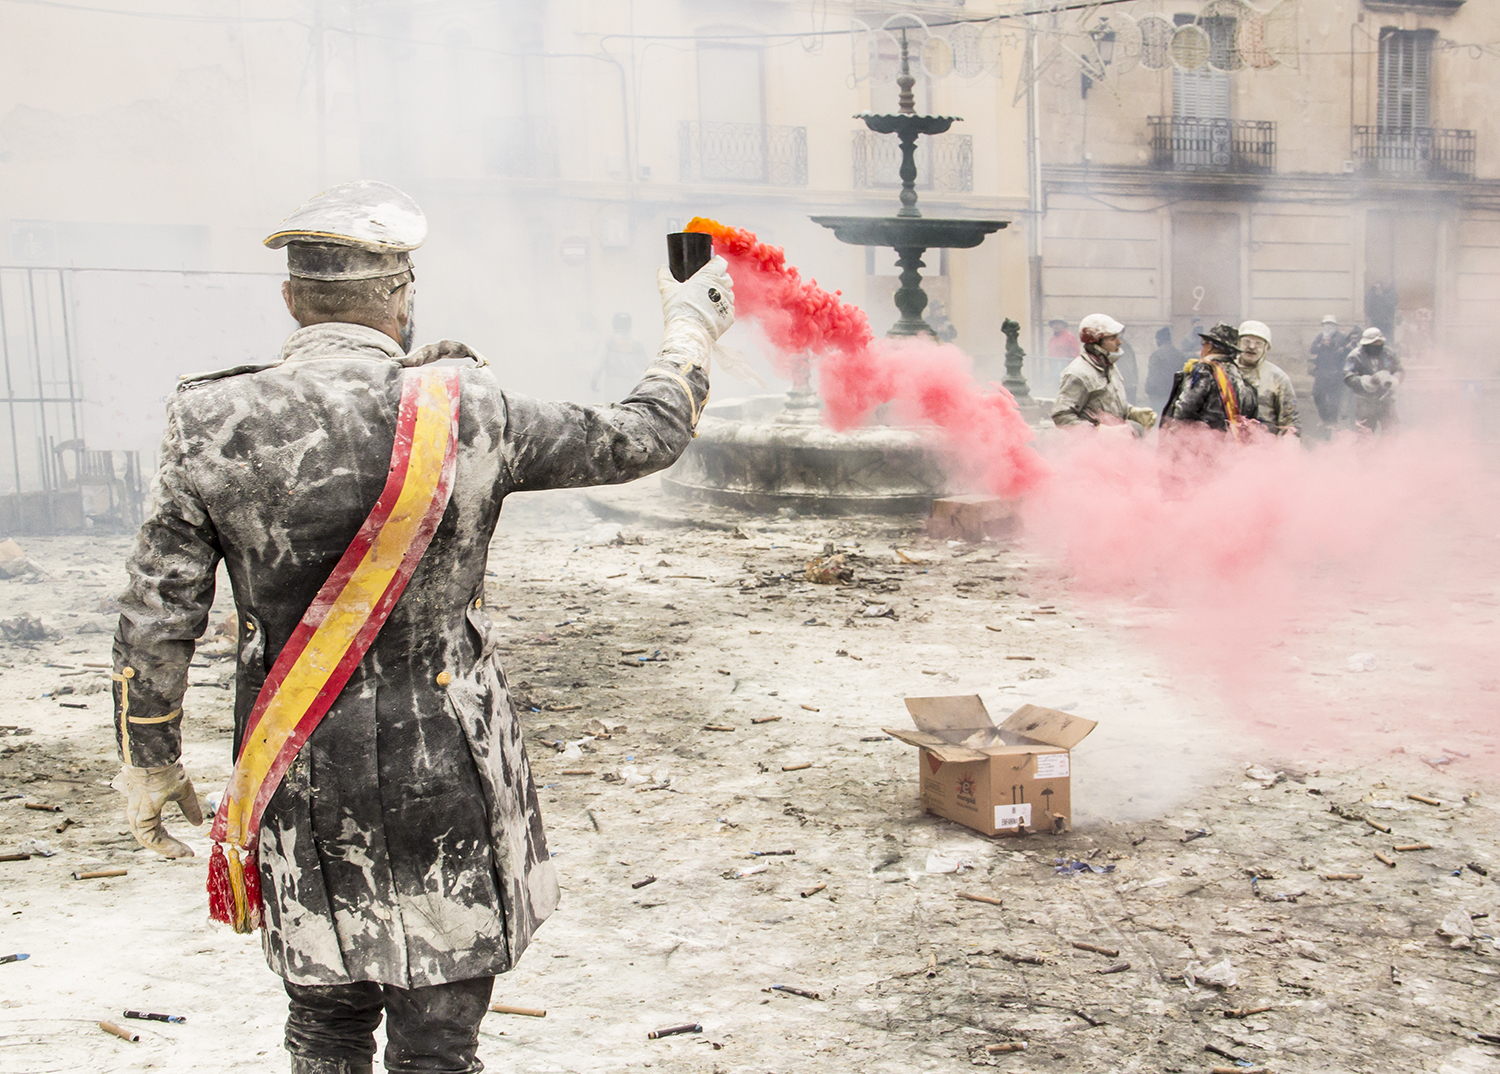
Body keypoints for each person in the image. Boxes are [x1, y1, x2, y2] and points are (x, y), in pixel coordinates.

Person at [108, 180, 734, 1074]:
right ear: (400, 296)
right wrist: (691, 327)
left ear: (291, 297)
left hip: (296, 777)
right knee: (439, 1046)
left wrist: (149, 757)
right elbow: (643, 436)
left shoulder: (209, 420)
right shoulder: (466, 408)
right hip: (447, 776)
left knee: (324, 1032)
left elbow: (156, 609)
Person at [1051, 313, 1157, 434]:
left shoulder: (1110, 367)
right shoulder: (1077, 372)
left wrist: (1131, 411)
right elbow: (1062, 417)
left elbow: (1107, 403)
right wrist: (1098, 432)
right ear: (1096, 343)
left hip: (1117, 445)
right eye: (1112, 339)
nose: (1119, 342)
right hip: (1091, 449)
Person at [1161, 323, 1258, 435]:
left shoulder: (1203, 370)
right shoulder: (1242, 378)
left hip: (1200, 445)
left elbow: (1185, 408)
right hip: (1230, 446)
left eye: (1204, 343)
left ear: (1209, 346)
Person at [1236, 320, 1300, 436]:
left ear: (1266, 348)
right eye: (1246, 341)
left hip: (1265, 446)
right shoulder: (1223, 371)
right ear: (1238, 343)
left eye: (1258, 343)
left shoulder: (1277, 377)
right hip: (1225, 445)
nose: (1251, 347)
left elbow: (1290, 422)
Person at [1343, 326, 1403, 434]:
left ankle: (1385, 451)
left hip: (1386, 400)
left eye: (1379, 343)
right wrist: (1368, 381)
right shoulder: (1355, 356)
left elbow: (1399, 369)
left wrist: (1394, 380)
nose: (1377, 346)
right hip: (1365, 401)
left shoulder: (1388, 353)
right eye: (1374, 343)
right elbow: (1348, 377)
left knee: (1392, 431)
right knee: (1365, 434)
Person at [591, 312, 649, 401]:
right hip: (633, 384)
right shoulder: (637, 343)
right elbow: (645, 365)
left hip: (614, 385)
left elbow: (600, 363)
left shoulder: (609, 342)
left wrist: (594, 380)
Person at [1308, 314, 1350, 427]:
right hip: (1321, 372)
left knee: (1334, 398)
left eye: (1331, 324)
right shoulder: (1319, 337)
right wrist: (1322, 344)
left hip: (1336, 372)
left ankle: (1334, 420)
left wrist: (1333, 345)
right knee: (1317, 395)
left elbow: (1345, 352)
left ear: (1335, 326)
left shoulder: (1341, 337)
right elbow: (1312, 350)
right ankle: (1324, 417)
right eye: (1326, 324)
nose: (1328, 327)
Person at [1144, 326, 1183, 414]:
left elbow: (1153, 375)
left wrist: (1149, 390)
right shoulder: (1179, 354)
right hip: (1175, 393)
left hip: (1160, 394)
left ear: (1159, 339)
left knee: (1158, 417)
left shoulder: (1157, 354)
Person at [1046, 317, 1079, 389]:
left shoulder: (1069, 337)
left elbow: (1075, 352)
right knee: (1055, 385)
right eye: (1054, 324)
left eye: (1058, 324)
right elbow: (1051, 354)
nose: (1056, 326)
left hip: (1066, 365)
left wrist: (1073, 366)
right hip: (1055, 365)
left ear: (1063, 325)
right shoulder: (1052, 339)